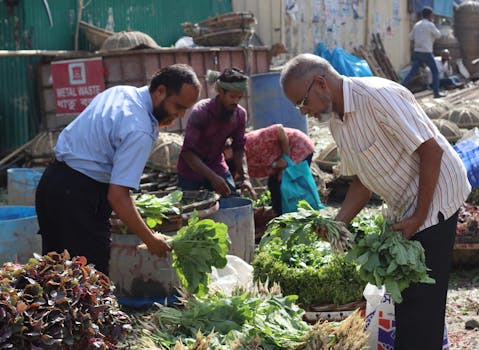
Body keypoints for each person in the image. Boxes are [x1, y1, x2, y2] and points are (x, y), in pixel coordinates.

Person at [280, 53, 471, 349]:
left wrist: (419, 216)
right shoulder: (338, 125)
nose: (304, 112)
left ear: (320, 84)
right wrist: (338, 223)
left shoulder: (379, 97)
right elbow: (362, 181)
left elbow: (432, 151)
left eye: (303, 102)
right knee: (405, 300)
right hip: (404, 207)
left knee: (423, 306)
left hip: (435, 200)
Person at [35, 64, 201, 275]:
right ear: (160, 91)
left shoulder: (120, 92)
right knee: (89, 281)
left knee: (55, 276)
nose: (180, 115)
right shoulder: (140, 128)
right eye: (178, 107)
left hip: (52, 183)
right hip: (79, 196)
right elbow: (118, 196)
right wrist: (150, 239)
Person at [177, 68, 256, 198]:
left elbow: (238, 148)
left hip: (216, 164)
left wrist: (245, 177)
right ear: (220, 91)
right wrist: (213, 178)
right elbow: (187, 153)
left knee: (231, 200)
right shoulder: (201, 112)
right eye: (232, 96)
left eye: (239, 97)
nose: (236, 101)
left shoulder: (240, 115)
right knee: (191, 209)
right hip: (191, 169)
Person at [244, 124, 315, 215]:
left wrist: (286, 157)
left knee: (288, 187)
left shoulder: (251, 142)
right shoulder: (241, 162)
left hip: (298, 146)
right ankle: (280, 216)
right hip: (279, 160)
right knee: (274, 184)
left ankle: (298, 216)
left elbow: (279, 129)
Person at [401, 6, 444, 98]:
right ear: (430, 15)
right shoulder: (430, 25)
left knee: (412, 73)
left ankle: (400, 89)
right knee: (435, 72)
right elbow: (438, 35)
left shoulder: (417, 25)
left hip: (417, 52)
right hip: (427, 52)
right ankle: (436, 93)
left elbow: (411, 37)